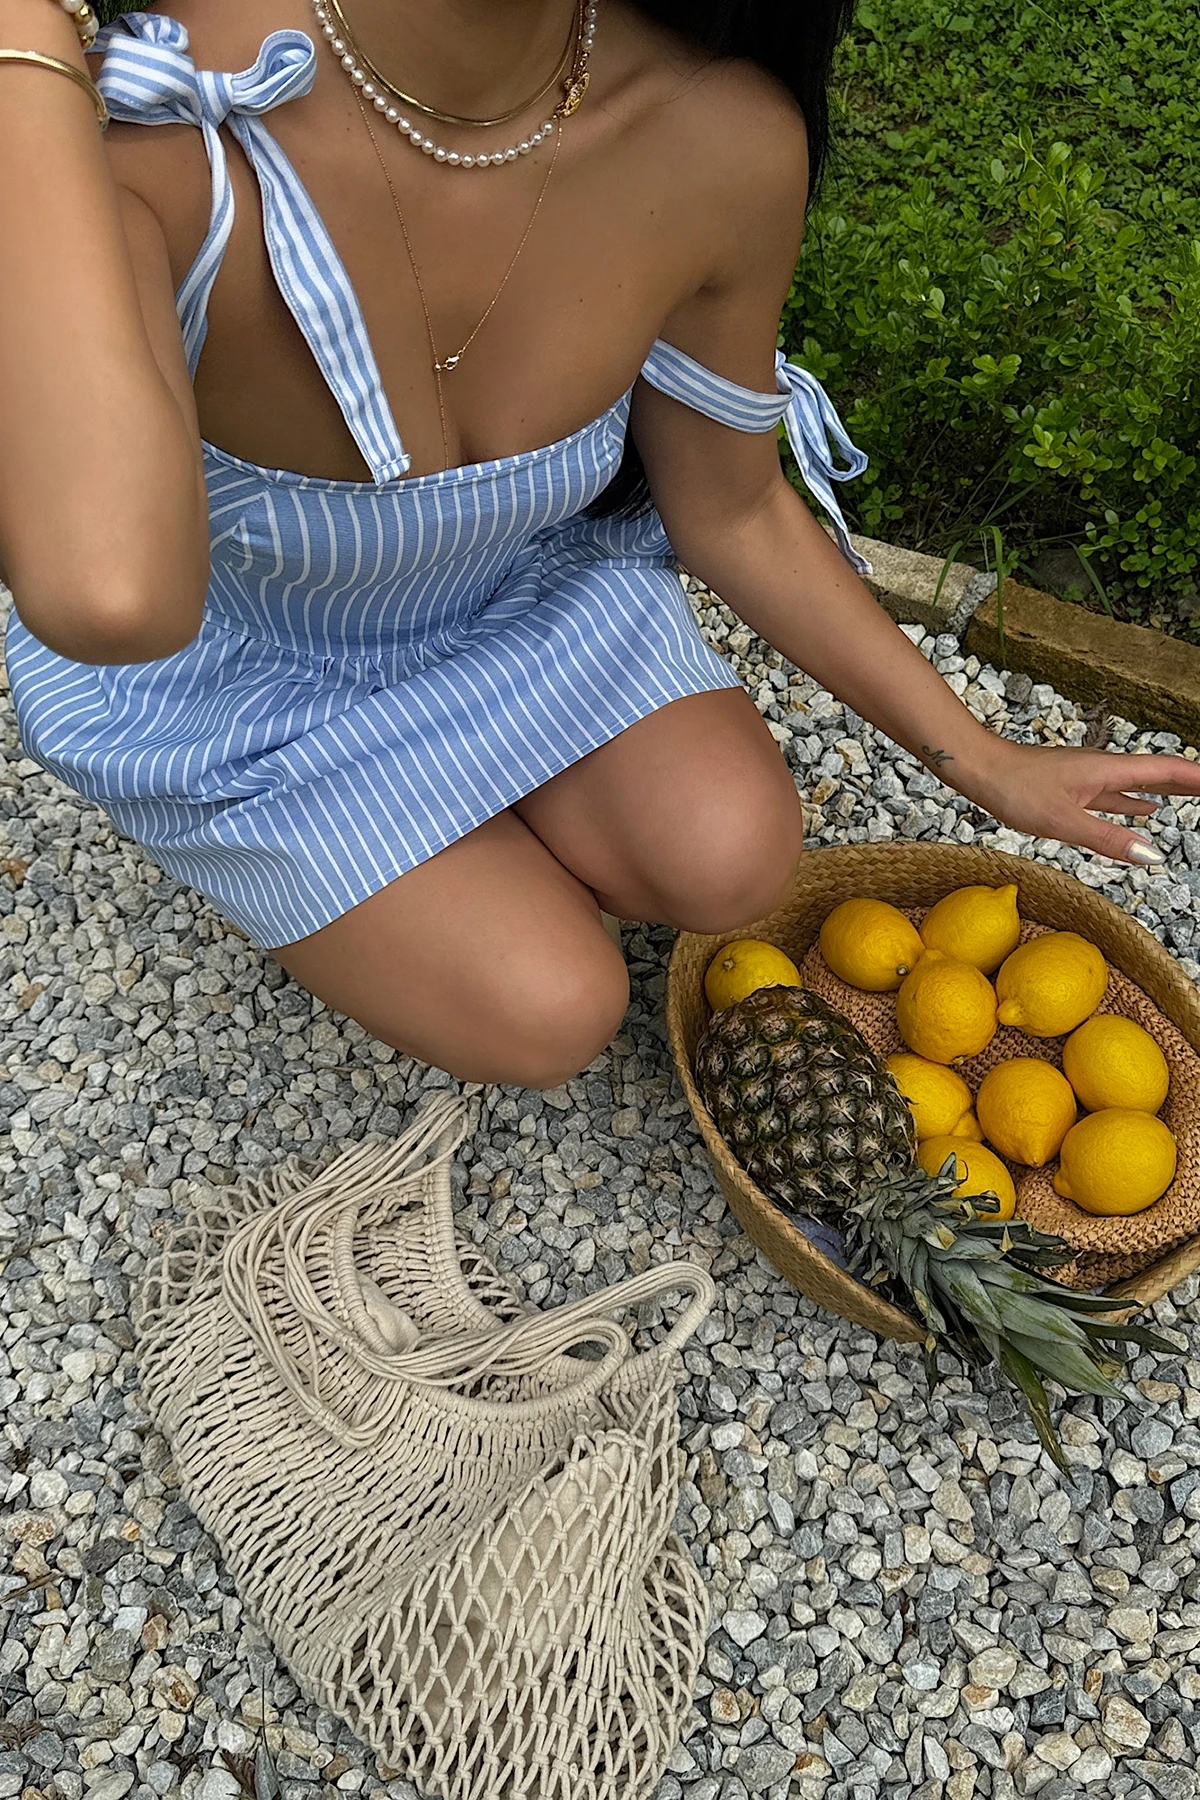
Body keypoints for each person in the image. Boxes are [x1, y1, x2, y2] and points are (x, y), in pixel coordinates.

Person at [1, 0, 1195, 1091]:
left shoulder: (713, 135)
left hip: (506, 599)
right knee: (556, 1010)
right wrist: (24, 60)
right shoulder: (165, 113)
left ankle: (441, 861)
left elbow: (729, 506)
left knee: (732, 857)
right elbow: (113, 596)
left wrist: (982, 761)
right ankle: (337, 867)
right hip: (245, 685)